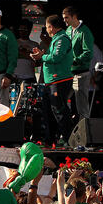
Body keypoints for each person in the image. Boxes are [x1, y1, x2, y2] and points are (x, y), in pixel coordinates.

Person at [30, 15, 74, 146]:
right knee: (49, 111)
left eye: (47, 26)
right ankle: (50, 140)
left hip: (59, 80)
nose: (47, 29)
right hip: (51, 82)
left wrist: (42, 56)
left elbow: (56, 57)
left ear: (52, 27)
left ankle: (68, 139)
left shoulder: (62, 38)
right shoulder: (56, 39)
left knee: (59, 110)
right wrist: (41, 55)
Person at [62, 6, 94, 120]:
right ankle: (68, 126)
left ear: (74, 17)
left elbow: (88, 53)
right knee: (61, 100)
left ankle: (85, 132)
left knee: (82, 107)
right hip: (69, 73)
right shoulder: (68, 30)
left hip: (81, 74)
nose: (64, 20)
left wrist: (73, 60)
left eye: (66, 17)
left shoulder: (85, 31)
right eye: (63, 18)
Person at [14, 19, 40, 83]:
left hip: (30, 77)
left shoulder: (35, 44)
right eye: (20, 30)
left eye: (25, 30)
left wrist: (22, 54)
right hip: (15, 77)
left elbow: (38, 62)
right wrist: (29, 55)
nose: (22, 32)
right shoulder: (14, 43)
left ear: (29, 30)